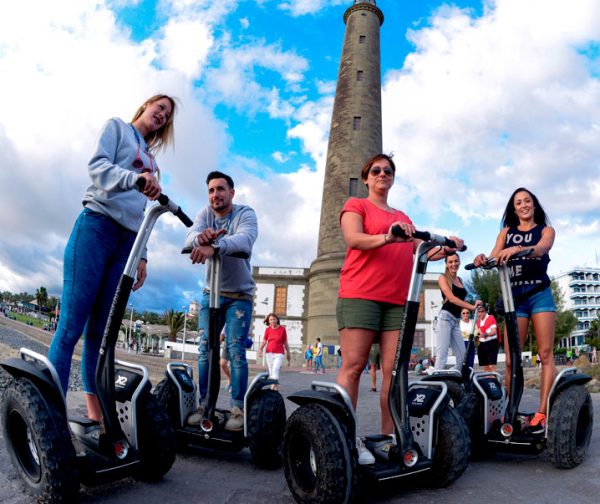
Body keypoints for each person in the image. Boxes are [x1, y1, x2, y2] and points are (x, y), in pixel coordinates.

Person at [48, 94, 176, 422]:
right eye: (159, 107)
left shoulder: (152, 160)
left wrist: (143, 254)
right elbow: (97, 168)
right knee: (71, 327)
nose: (162, 114)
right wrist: (134, 179)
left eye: (168, 114)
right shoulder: (117, 128)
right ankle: (51, 415)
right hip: (97, 225)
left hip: (126, 243)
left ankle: (98, 417)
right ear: (146, 105)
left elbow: (143, 208)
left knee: (100, 337)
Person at [335, 153, 465, 465]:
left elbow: (418, 249)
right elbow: (354, 239)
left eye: (388, 171)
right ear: (366, 177)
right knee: (354, 366)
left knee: (396, 373)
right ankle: (343, 437)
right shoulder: (357, 205)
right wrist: (388, 235)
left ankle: (389, 440)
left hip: (397, 300)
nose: (382, 174)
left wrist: (446, 246)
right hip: (360, 294)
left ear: (392, 178)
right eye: (376, 170)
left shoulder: (403, 215)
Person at [474, 187, 557, 435]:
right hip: (514, 299)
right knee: (510, 360)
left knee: (545, 354)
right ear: (514, 208)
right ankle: (513, 411)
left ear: (534, 204)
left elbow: (541, 249)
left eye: (527, 201)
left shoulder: (545, 230)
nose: (523, 205)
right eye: (518, 202)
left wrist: (518, 250)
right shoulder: (506, 232)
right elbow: (493, 258)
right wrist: (482, 259)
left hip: (539, 294)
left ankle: (542, 412)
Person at [185, 171, 258, 431]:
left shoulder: (244, 214)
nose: (216, 194)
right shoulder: (205, 214)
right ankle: (205, 405)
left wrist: (215, 246)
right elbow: (189, 237)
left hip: (239, 295)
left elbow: (245, 240)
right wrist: (200, 238)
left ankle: (238, 408)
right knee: (206, 348)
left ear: (232, 192)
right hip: (211, 292)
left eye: (221, 189)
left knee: (236, 350)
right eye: (211, 190)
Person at [427, 253, 481, 374]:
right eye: (450, 262)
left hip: (456, 322)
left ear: (459, 262)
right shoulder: (442, 278)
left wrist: (475, 304)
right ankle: (437, 386)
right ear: (446, 264)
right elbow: (451, 298)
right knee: (442, 355)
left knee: (462, 358)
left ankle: (451, 380)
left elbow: (462, 301)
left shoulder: (460, 280)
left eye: (456, 261)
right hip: (444, 319)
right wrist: (472, 307)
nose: (453, 264)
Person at [257, 313, 290, 391]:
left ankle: (272, 387)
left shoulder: (282, 329)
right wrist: (260, 349)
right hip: (269, 353)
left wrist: (288, 352)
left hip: (279, 353)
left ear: (277, 320)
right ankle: (275, 388)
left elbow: (285, 342)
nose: (273, 321)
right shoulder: (268, 329)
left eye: (274, 319)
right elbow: (264, 340)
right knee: (272, 372)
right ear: (269, 321)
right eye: (271, 320)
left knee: (275, 369)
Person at [475, 304, 499, 372]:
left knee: (491, 366)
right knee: (485, 367)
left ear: (485, 312)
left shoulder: (490, 318)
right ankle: (488, 381)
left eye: (481, 311)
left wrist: (485, 334)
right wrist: (476, 343)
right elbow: (477, 334)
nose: (480, 313)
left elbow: (494, 331)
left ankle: (494, 381)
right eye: (478, 312)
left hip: (491, 343)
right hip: (482, 345)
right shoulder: (477, 322)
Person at [219, 328, 232, 393]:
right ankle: (230, 379)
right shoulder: (228, 319)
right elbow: (223, 332)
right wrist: (218, 343)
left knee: (234, 366)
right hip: (227, 342)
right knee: (222, 363)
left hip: (237, 340)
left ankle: (234, 385)